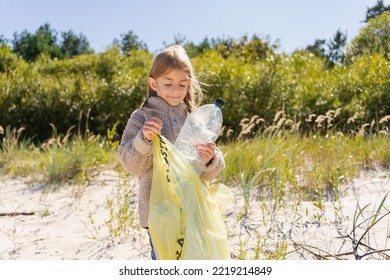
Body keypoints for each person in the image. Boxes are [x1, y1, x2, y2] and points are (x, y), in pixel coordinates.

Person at [117, 45, 225, 259]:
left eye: (182, 84)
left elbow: (210, 172)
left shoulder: (194, 119)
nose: (175, 90)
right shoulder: (142, 117)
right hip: (160, 212)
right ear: (153, 83)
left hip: (193, 209)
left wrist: (210, 159)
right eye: (168, 83)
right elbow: (131, 165)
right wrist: (144, 139)